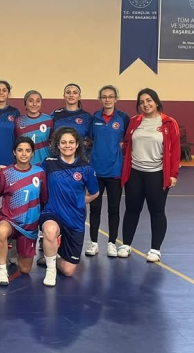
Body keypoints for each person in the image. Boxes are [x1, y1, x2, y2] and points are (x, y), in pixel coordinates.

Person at [118, 88, 180, 262]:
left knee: (157, 211)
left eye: (149, 100)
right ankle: (126, 244)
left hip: (157, 174)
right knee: (131, 210)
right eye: (141, 102)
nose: (145, 104)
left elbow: (175, 150)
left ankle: (155, 249)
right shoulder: (135, 121)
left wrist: (173, 174)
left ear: (156, 101)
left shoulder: (169, 122)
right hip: (135, 173)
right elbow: (127, 143)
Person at [38, 127, 99, 287]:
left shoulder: (86, 168)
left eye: (71, 142)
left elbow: (95, 193)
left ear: (77, 144)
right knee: (50, 230)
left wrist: (79, 201)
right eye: (63, 142)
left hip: (75, 218)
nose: (67, 145)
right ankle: (51, 270)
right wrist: (7, 170)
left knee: (68, 270)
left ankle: (52, 257)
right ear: (58, 145)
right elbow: (31, 174)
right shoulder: (49, 163)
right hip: (52, 212)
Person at [0, 137, 48, 286]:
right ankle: (1, 270)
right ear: (14, 152)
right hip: (9, 219)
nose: (24, 154)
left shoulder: (40, 173)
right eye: (20, 150)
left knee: (25, 269)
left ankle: (15, 246)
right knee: (2, 232)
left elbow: (44, 198)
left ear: (32, 153)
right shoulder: (5, 173)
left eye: (28, 150)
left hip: (29, 225)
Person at [86, 85, 129, 257]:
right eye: (104, 96)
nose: (107, 99)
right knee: (95, 208)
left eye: (111, 96)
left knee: (114, 209)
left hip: (115, 171)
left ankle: (112, 243)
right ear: (100, 99)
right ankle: (94, 243)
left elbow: (128, 140)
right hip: (96, 171)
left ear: (116, 99)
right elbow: (89, 139)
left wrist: (122, 147)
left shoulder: (123, 118)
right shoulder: (95, 117)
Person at [15, 90, 53, 165]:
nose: (34, 104)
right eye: (31, 101)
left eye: (38, 101)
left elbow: (53, 142)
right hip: (24, 164)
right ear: (25, 103)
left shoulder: (48, 120)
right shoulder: (18, 121)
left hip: (44, 163)